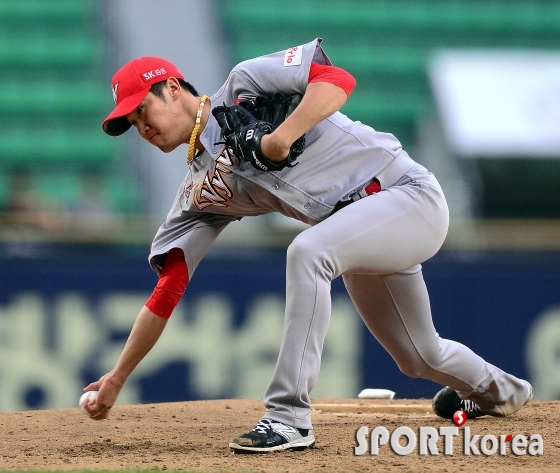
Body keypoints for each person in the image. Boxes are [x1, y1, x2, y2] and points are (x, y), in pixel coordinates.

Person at [83, 38, 533, 453]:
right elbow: (168, 288)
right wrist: (117, 378)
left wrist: (280, 137)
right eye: (132, 123)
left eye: (143, 109)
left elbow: (337, 80)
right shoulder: (199, 192)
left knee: (308, 252)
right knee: (418, 356)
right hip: (357, 231)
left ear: (174, 88)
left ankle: (288, 417)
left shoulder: (245, 81)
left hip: (406, 195)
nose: (142, 126)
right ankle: (500, 391)